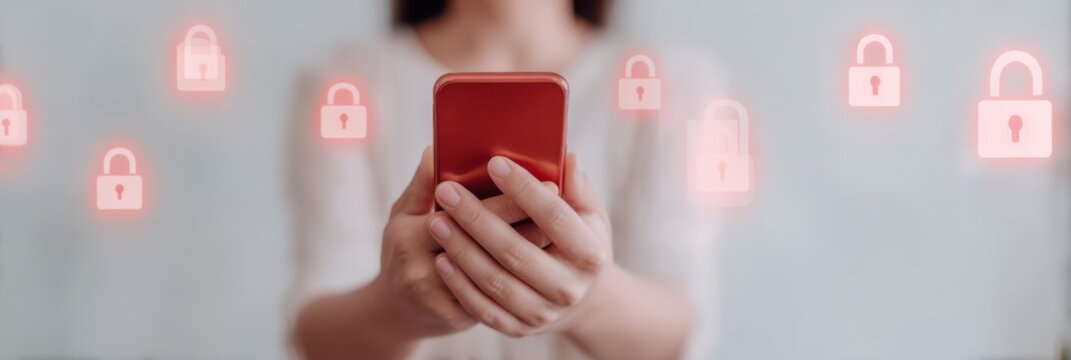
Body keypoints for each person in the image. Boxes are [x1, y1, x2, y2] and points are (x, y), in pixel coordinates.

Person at [286, 0, 726, 358]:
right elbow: (317, 335)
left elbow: (680, 329)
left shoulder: (671, 84)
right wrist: (396, 309)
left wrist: (591, 301)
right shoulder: (346, 88)